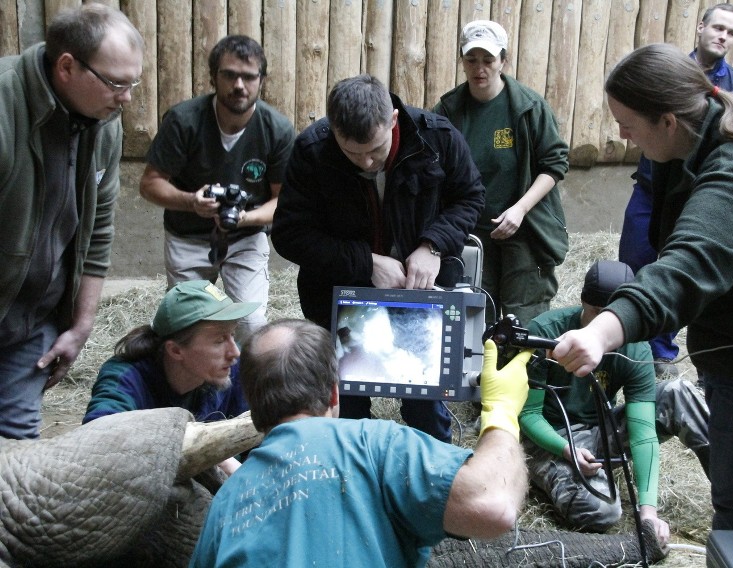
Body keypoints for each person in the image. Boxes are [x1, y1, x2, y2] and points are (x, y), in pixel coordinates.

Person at [552, 43, 733, 532]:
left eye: (627, 122)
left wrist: (605, 330)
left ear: (668, 121)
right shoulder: (691, 141)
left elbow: (688, 266)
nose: (619, 133)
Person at [190, 319, 531, 567]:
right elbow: (492, 504)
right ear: (334, 393)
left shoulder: (225, 505)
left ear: (253, 408)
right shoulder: (374, 443)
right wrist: (501, 412)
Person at [271, 74, 485, 442]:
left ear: (394, 120)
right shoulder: (311, 150)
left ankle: (439, 475)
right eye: (352, 152)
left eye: (376, 149)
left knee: (424, 398)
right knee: (346, 404)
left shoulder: (437, 137)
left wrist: (433, 245)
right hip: (339, 294)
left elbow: (471, 197)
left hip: (421, 291)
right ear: (333, 129)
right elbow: (289, 235)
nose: (367, 162)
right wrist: (366, 262)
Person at [0, 4, 144, 440]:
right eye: (118, 84)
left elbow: (99, 228)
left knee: (18, 461)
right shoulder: (5, 106)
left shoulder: (105, 121)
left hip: (30, 324)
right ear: (67, 67)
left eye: (133, 83)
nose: (128, 98)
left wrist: (81, 326)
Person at [520, 260, 709, 546]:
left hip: (597, 429)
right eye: (596, 312)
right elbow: (529, 414)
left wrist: (648, 513)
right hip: (551, 434)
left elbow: (643, 430)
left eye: (610, 315)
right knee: (602, 511)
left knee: (678, 393)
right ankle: (546, 473)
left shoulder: (634, 348)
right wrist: (565, 449)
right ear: (583, 301)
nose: (600, 324)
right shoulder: (547, 332)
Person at [618, 3, 733, 379]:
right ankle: (625, 346)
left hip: (697, 194)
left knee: (677, 267)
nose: (722, 36)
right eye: (717, 27)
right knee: (634, 264)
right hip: (649, 189)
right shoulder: (664, 73)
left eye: (731, 32)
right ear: (701, 28)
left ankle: (659, 355)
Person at [139, 35, 295, 343]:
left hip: (246, 238)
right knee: (191, 329)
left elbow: (283, 200)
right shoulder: (184, 120)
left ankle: (243, 389)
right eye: (230, 75)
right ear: (213, 77)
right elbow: (149, 184)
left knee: (251, 324)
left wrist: (244, 218)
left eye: (249, 76)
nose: (239, 85)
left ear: (261, 80)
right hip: (188, 235)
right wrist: (191, 202)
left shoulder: (276, 129)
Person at [434, 20, 570, 326]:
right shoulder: (447, 111)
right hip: (471, 229)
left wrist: (520, 210)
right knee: (476, 312)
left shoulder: (529, 108)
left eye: (488, 60)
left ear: (503, 61)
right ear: (462, 61)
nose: (479, 68)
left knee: (522, 314)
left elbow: (555, 164)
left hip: (523, 225)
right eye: (471, 60)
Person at [83, 280, 259, 475]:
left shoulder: (234, 367)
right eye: (219, 340)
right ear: (175, 350)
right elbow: (97, 442)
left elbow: (266, 436)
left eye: (232, 335)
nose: (234, 352)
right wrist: (218, 457)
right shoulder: (127, 377)